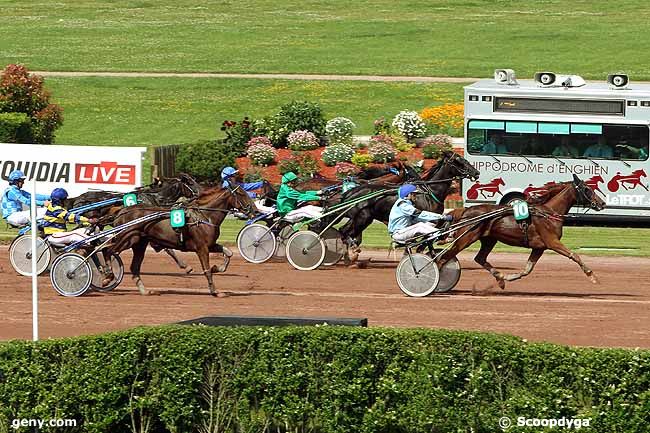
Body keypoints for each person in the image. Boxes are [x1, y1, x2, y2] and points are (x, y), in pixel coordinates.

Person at [388, 184, 452, 242]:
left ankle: (428, 241)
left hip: (404, 231)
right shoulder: (404, 206)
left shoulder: (407, 203)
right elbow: (422, 214)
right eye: (414, 194)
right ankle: (441, 236)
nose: (416, 196)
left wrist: (436, 219)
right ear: (407, 194)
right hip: (398, 234)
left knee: (431, 223)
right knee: (420, 226)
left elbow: (417, 218)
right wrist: (442, 217)